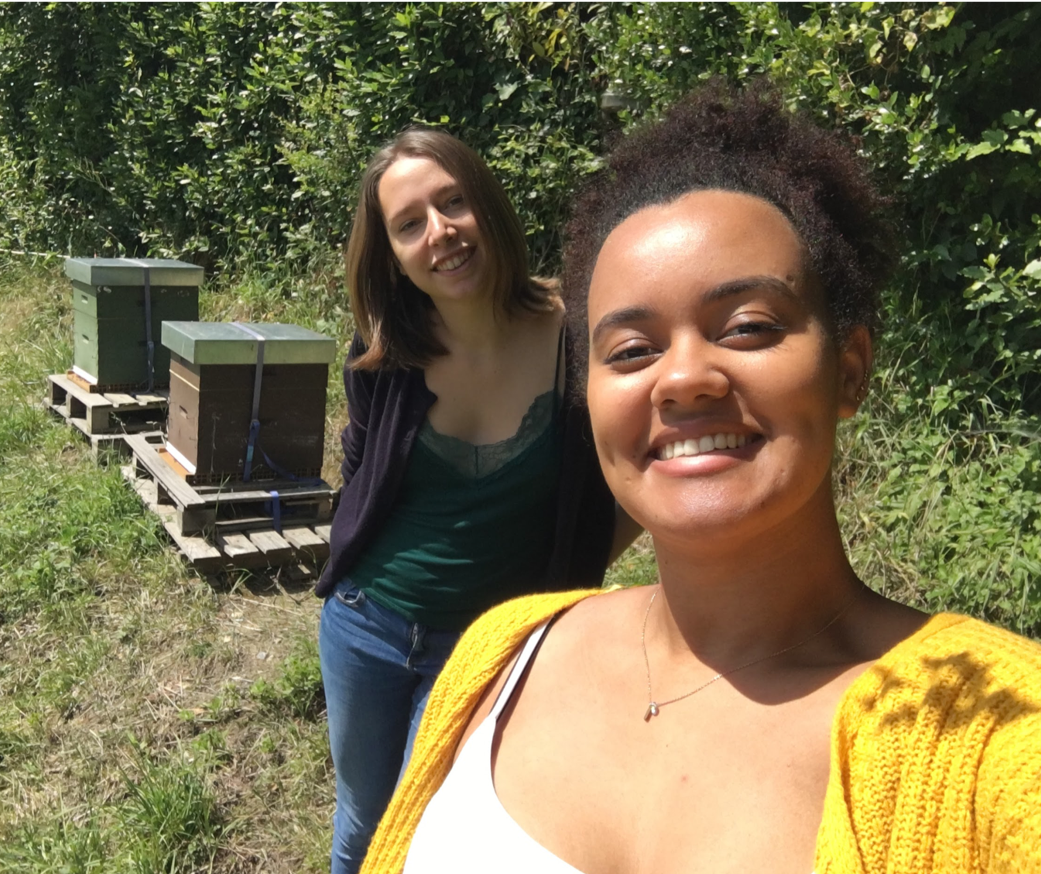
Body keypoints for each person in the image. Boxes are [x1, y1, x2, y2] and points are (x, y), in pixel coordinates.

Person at [361, 84, 1041, 874]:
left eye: (747, 327)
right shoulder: (504, 653)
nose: (683, 378)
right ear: (589, 398)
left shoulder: (996, 730)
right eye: (630, 350)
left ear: (849, 369)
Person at [315, 127, 634, 874]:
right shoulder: (385, 354)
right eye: (409, 223)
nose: (440, 232)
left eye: (452, 202)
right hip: (366, 625)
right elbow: (358, 474)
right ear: (392, 253)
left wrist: (573, 564)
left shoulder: (578, 338)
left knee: (428, 825)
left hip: (485, 642)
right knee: (363, 820)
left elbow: (633, 481)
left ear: (485, 205)